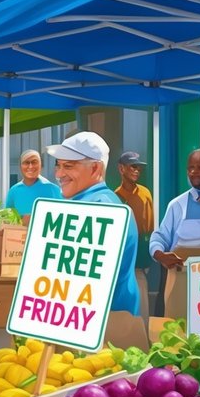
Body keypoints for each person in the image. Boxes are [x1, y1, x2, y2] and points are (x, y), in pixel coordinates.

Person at [47, 132, 141, 316]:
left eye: (68, 166)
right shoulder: (83, 201)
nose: (59, 174)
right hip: (83, 320)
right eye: (58, 166)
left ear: (95, 169)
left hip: (107, 325)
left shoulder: (102, 206)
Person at [149, 149, 200, 316]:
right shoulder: (177, 205)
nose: (193, 172)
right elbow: (160, 237)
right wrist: (159, 254)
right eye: (190, 168)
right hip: (181, 279)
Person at [114, 152, 155, 318]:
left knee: (142, 303)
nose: (137, 171)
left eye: (139, 167)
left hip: (140, 259)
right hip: (120, 258)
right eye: (133, 166)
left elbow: (149, 228)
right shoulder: (114, 197)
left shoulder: (145, 194)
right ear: (121, 168)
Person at [3, 150, 62, 222]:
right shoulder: (14, 191)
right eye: (26, 163)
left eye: (34, 162)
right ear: (20, 167)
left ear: (41, 165)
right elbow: (7, 219)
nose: (30, 166)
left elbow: (62, 218)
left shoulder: (53, 189)